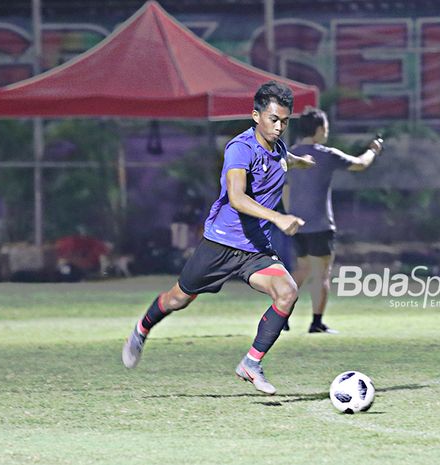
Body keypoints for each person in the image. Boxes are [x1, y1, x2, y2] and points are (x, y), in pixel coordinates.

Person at [122, 81, 314, 395]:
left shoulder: (278, 147)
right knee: (178, 299)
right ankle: (142, 329)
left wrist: (299, 161)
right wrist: (279, 217)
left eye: (285, 121)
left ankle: (251, 363)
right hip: (221, 245)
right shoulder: (239, 148)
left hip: (255, 250)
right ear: (255, 116)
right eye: (273, 119)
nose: (279, 127)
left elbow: (280, 159)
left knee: (287, 292)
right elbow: (237, 198)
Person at [284, 107, 383, 334]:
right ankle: (316, 323)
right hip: (321, 224)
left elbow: (285, 189)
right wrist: (373, 150)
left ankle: (280, 315)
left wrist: (290, 215)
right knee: (321, 274)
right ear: (319, 130)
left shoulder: (289, 155)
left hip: (296, 224)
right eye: (325, 128)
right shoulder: (326, 154)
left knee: (303, 268)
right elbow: (360, 164)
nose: (326, 132)